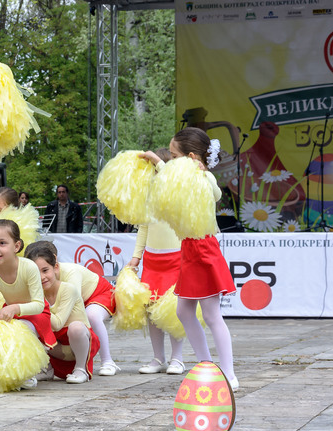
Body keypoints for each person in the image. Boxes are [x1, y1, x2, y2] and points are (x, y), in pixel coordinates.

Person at [140, 127, 238, 390]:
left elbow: (211, 191)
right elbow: (172, 180)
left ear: (192, 158)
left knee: (212, 314)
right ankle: (206, 365)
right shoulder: (186, 177)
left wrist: (162, 163)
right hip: (190, 250)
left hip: (203, 248)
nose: (171, 160)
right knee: (183, 311)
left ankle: (228, 373)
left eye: (174, 156)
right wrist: (159, 162)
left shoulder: (202, 178)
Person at [25, 240, 119, 377]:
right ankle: (47, 366)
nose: (40, 275)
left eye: (45, 269)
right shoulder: (38, 279)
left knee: (92, 315)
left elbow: (71, 304)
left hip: (99, 292)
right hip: (73, 301)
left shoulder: (71, 273)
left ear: (54, 261)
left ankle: (107, 361)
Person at [129, 148, 185, 375]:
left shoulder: (177, 192)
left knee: (175, 310)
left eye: (155, 169)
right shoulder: (147, 196)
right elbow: (143, 227)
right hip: (152, 261)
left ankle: (177, 358)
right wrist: (136, 256)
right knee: (152, 311)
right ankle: (158, 358)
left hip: (176, 257)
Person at [0, 219, 56, 390]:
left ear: (16, 246)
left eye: (2, 243)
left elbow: (38, 304)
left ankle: (27, 373)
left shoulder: (29, 267)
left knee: (20, 330)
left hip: (36, 314)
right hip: (12, 314)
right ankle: (6, 372)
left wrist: (15, 307)